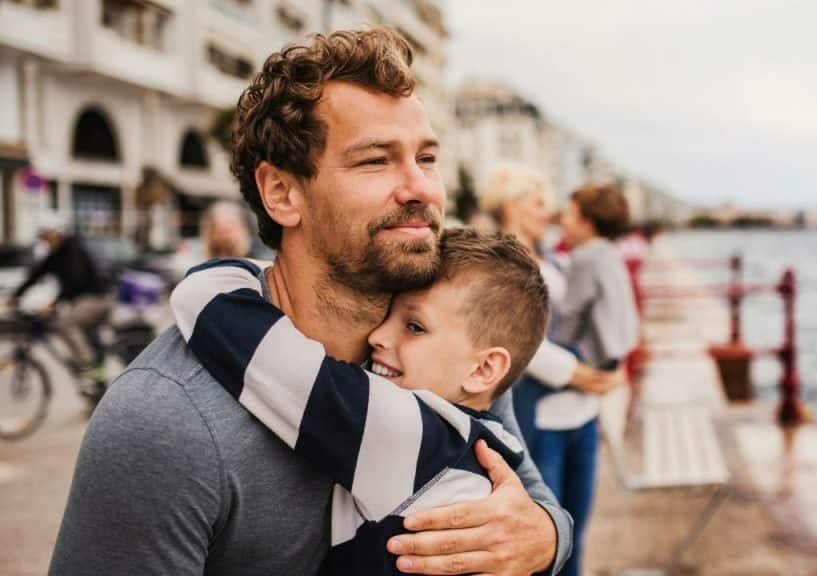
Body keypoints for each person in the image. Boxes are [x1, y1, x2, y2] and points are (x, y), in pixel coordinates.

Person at [49, 28, 569, 575]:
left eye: (427, 157)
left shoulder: (441, 348)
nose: (421, 188)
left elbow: (530, 498)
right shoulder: (165, 423)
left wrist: (545, 538)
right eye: (375, 161)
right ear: (281, 192)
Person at [168, 228, 550, 573]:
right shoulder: (482, 444)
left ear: (484, 370)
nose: (379, 335)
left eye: (414, 327)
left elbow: (205, 303)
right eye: (388, 314)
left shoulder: (404, 431)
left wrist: (270, 270)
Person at [476, 165, 623, 450]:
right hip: (540, 419)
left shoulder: (556, 263)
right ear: (512, 207)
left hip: (583, 411)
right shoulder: (496, 268)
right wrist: (579, 375)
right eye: (539, 204)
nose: (548, 214)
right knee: (543, 495)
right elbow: (512, 339)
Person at [547, 183, 640, 576]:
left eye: (568, 214)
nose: (561, 220)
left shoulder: (584, 256)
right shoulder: (610, 254)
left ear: (586, 221)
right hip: (616, 353)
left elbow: (569, 317)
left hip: (589, 358)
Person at [8, 211, 111, 383]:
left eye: (46, 236)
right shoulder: (56, 254)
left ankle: (89, 366)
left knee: (65, 324)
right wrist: (15, 297)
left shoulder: (72, 250)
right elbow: (36, 275)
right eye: (42, 237)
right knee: (71, 326)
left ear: (56, 233)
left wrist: (53, 305)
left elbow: (74, 281)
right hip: (81, 301)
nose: (44, 241)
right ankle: (92, 375)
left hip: (96, 299)